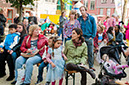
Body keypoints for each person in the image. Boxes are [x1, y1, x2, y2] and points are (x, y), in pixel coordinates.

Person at [78, 6, 97, 71]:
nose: (82, 12)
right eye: (80, 10)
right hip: (82, 38)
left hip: (89, 38)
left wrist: (92, 37)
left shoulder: (91, 18)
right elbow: (78, 28)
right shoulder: (79, 19)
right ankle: (81, 65)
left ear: (86, 10)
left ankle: (91, 66)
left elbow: (94, 28)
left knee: (90, 52)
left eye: (83, 10)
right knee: (80, 52)